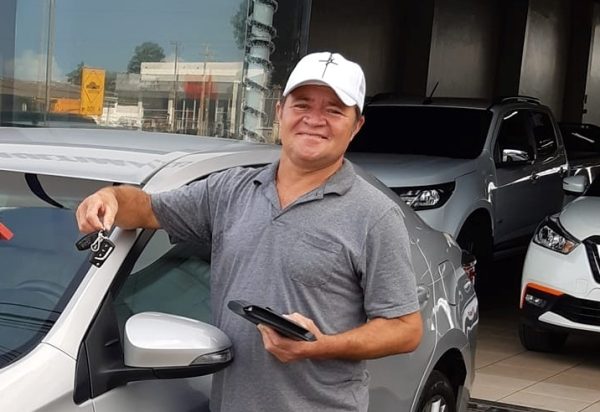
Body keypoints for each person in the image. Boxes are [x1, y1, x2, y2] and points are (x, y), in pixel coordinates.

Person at [76, 51, 423, 412]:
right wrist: (109, 197)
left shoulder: (375, 215)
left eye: (334, 110)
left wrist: (321, 346)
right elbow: (148, 209)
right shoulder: (229, 191)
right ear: (280, 112)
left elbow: (405, 328)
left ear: (356, 126)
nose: (314, 119)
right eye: (302, 105)